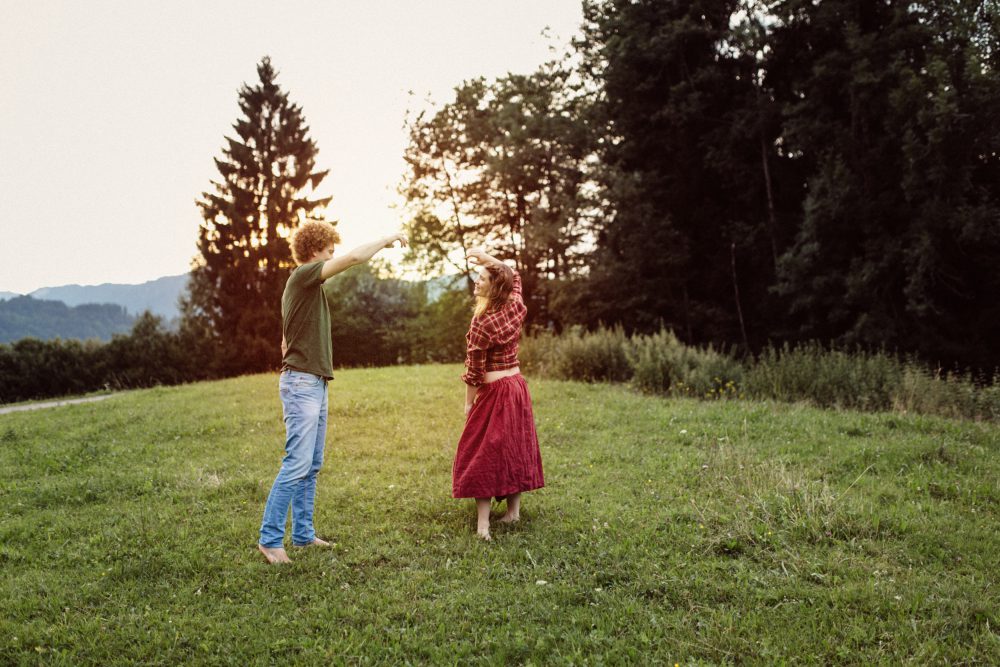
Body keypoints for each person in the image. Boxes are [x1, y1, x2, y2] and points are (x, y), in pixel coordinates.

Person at [258, 221, 407, 564]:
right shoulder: (303, 275)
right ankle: (269, 539)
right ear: (315, 250)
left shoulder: (308, 288)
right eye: (329, 251)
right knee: (296, 463)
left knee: (311, 464)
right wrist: (386, 238)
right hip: (302, 384)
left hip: (315, 382)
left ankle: (304, 535)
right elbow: (355, 257)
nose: (333, 256)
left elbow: (286, 338)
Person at [453, 247, 544, 540]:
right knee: (514, 448)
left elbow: (473, 371)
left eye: (482, 278)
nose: (476, 282)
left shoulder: (482, 322)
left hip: (494, 392)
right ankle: (513, 513)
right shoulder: (516, 304)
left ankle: (483, 526)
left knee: (482, 454)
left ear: (495, 287)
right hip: (516, 387)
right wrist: (489, 260)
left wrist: (469, 403)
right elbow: (514, 276)